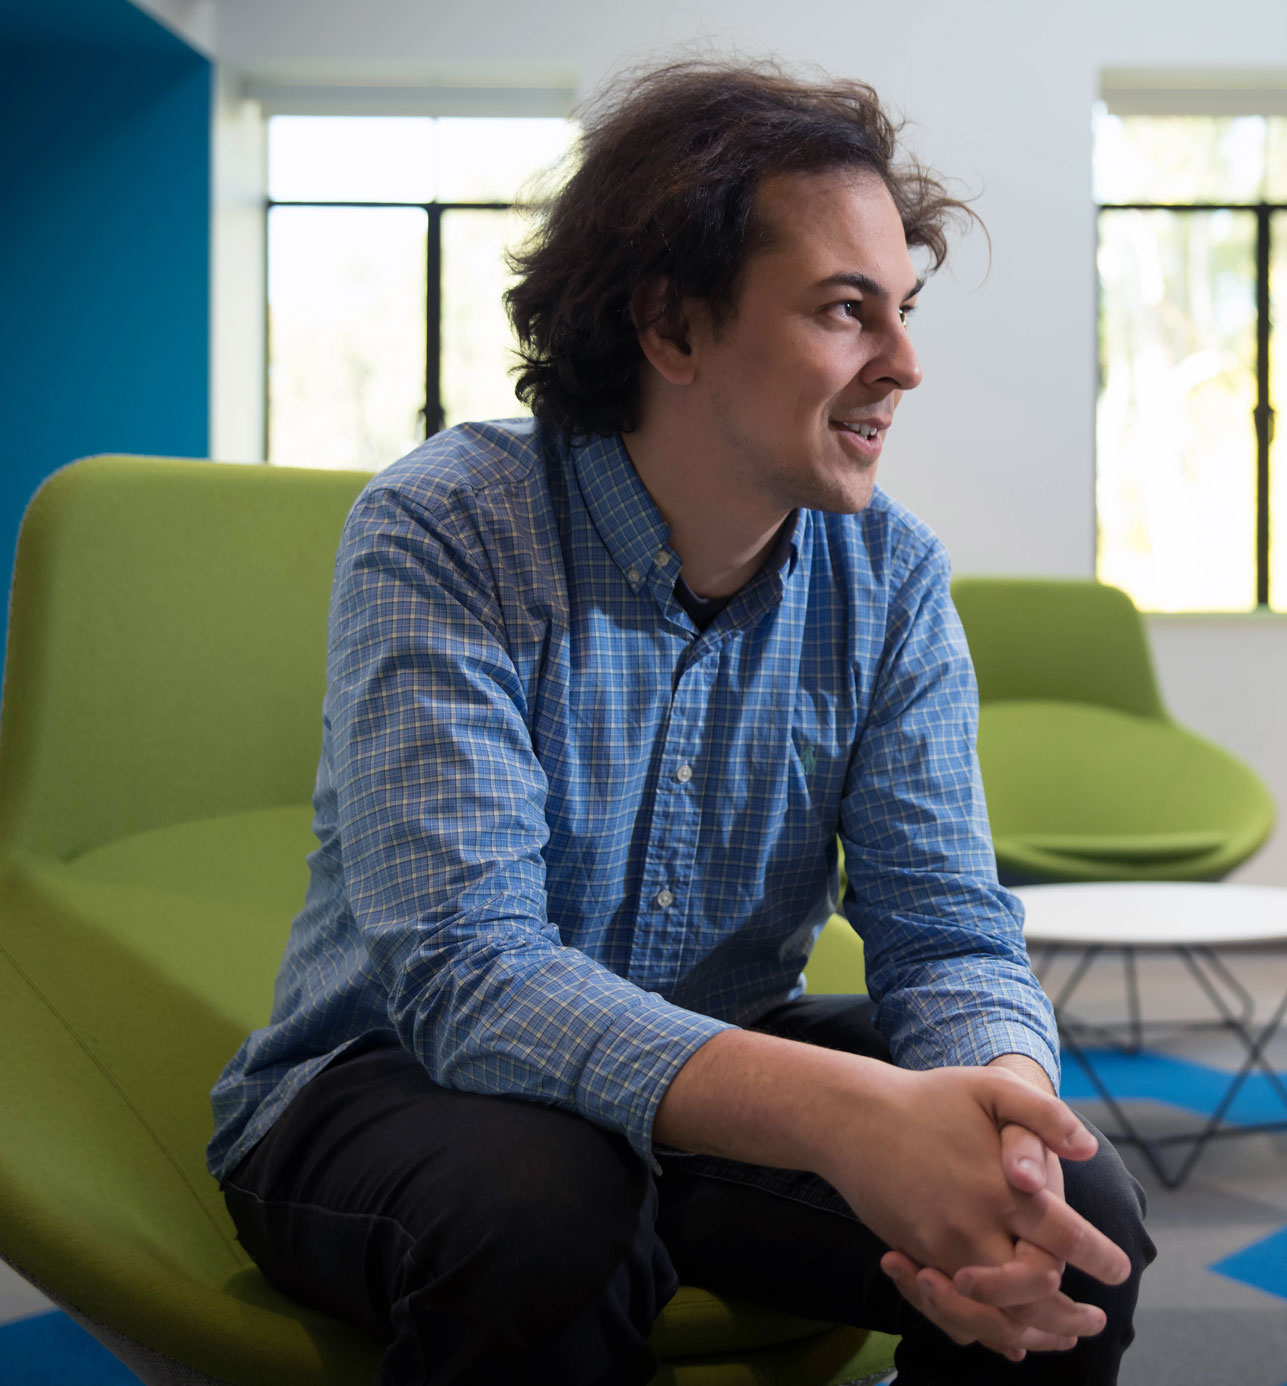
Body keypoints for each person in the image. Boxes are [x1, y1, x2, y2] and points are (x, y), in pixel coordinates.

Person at [205, 59, 1152, 1386]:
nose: (907, 364)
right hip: (401, 1083)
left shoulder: (890, 578)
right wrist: (848, 1116)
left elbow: (943, 925)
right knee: (552, 1214)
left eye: (906, 310)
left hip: (719, 1094)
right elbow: (472, 974)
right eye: (845, 310)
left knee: (1074, 1223)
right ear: (674, 327)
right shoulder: (447, 527)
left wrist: (1003, 1115)